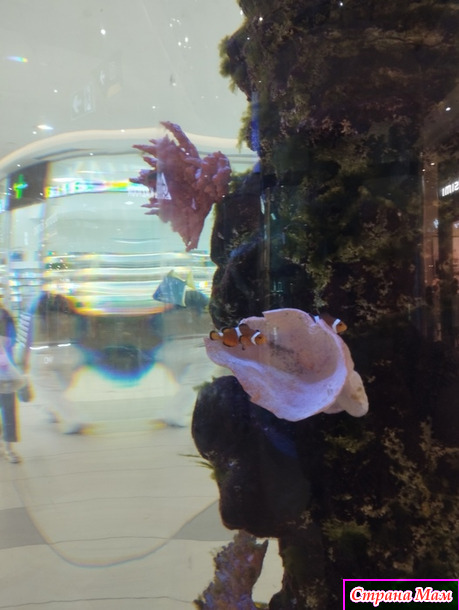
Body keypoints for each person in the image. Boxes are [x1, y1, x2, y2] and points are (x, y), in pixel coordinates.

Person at [0, 303, 21, 463]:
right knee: (8, 410)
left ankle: (8, 448)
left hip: (5, 371)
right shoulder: (5, 314)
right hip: (5, 369)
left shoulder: (5, 315)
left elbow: (12, 341)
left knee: (8, 409)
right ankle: (7, 448)